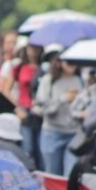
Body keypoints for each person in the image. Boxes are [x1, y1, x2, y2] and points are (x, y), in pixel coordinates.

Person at [34, 45, 83, 175]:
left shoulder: (79, 80)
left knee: (70, 173)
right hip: (52, 132)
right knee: (52, 174)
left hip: (73, 133)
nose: (72, 65)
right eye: (68, 62)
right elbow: (43, 109)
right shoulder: (48, 81)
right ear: (59, 62)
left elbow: (83, 105)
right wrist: (63, 99)